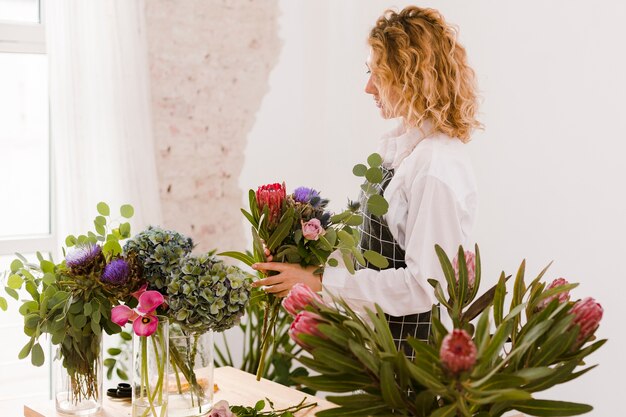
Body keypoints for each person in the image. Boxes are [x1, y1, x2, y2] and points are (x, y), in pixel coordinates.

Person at [252, 6, 479, 356]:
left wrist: (322, 282)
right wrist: (311, 264)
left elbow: (424, 287)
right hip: (380, 344)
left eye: (378, 74)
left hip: (413, 359)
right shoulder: (406, 149)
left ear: (410, 77)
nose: (367, 87)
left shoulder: (435, 167)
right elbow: (382, 255)